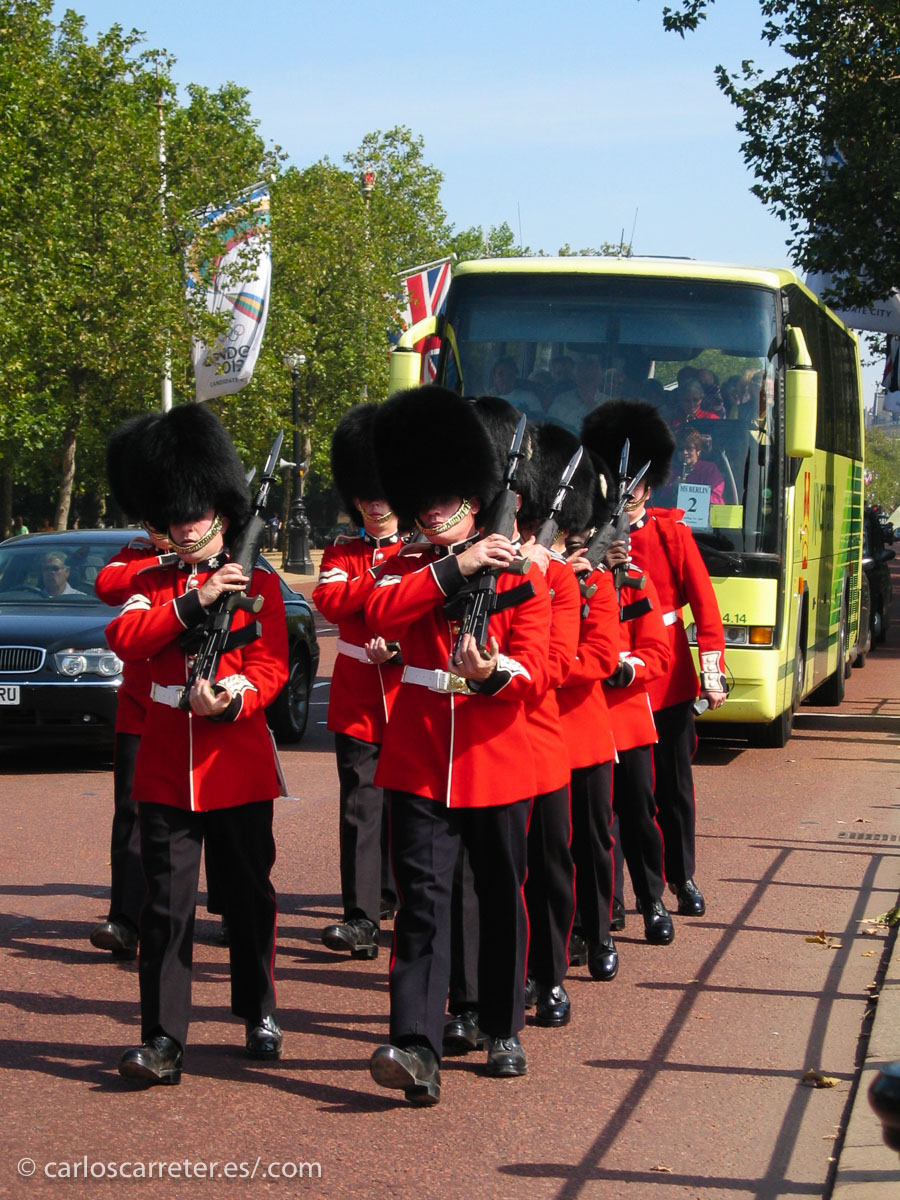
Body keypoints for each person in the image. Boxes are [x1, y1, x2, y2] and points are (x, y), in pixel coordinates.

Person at [364, 385, 551, 1106]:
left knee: (501, 894)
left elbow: (535, 665)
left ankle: (502, 1026)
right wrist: (454, 568)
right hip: (417, 756)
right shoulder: (409, 567)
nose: (435, 510)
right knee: (422, 900)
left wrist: (495, 673)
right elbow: (375, 611)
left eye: (449, 499)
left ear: (475, 500)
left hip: (496, 755)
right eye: (425, 501)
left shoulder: (523, 571)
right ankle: (415, 1042)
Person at [105, 403, 288, 1086]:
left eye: (195, 514)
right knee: (165, 909)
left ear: (219, 512)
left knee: (247, 900)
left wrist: (234, 697)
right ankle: (162, 1038)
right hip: (163, 767)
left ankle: (258, 1010)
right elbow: (124, 639)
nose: (186, 526)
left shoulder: (262, 584)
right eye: (175, 517)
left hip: (236, 764)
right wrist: (195, 600)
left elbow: (269, 669)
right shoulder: (151, 582)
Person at [582, 400, 728, 920]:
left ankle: (679, 875)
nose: (627, 492)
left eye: (635, 483)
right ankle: (613, 895)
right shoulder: (590, 538)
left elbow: (706, 613)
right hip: (608, 676)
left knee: (671, 790)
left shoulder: (671, 534)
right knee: (612, 796)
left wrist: (712, 675)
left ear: (649, 485)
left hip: (665, 681)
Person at [312, 403, 403, 960]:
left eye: (383, 495)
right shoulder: (342, 551)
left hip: (411, 690)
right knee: (360, 806)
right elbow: (328, 599)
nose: (375, 506)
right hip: (357, 696)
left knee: (407, 808)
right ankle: (360, 916)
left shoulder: (422, 552)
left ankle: (394, 895)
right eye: (366, 498)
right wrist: (382, 583)